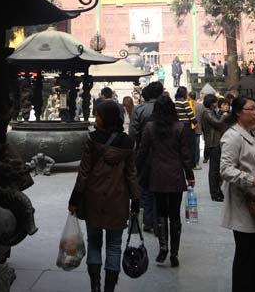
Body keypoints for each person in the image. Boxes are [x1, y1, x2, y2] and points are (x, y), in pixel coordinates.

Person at [69, 101, 140, 292]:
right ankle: (109, 289)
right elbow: (131, 174)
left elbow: (84, 172)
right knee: (114, 246)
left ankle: (95, 288)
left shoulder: (92, 139)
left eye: (98, 116)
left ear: (106, 118)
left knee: (94, 243)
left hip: (94, 198)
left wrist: (74, 199)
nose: (96, 119)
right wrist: (136, 200)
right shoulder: (128, 143)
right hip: (118, 199)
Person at [220, 97, 255, 292]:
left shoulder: (251, 134)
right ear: (238, 113)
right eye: (250, 109)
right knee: (245, 255)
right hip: (244, 204)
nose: (254, 112)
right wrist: (253, 181)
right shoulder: (232, 136)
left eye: (254, 109)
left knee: (253, 255)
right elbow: (225, 169)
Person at [137, 95, 195, 267]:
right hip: (176, 175)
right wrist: (190, 175)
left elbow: (142, 152)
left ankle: (163, 247)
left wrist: (135, 170)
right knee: (174, 215)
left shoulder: (149, 128)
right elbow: (185, 155)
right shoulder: (180, 127)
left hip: (157, 174)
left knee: (160, 212)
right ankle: (175, 254)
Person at [129, 80, 164, 233]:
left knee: (145, 188)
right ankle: (159, 222)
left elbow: (133, 133)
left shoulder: (139, 110)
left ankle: (148, 221)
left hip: (144, 153)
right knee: (160, 190)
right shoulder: (166, 109)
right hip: (164, 154)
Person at [200, 93, 228, 202]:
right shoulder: (207, 113)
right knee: (214, 170)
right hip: (213, 143)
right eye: (215, 102)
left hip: (215, 142)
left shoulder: (211, 112)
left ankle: (217, 191)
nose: (217, 104)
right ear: (212, 103)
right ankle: (214, 193)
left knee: (216, 169)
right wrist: (223, 116)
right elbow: (218, 123)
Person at [189, 90, 204, 170]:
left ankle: (190, 162)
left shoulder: (187, 105)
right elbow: (202, 118)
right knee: (196, 146)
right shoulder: (201, 106)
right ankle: (196, 163)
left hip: (188, 129)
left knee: (189, 146)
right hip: (198, 128)